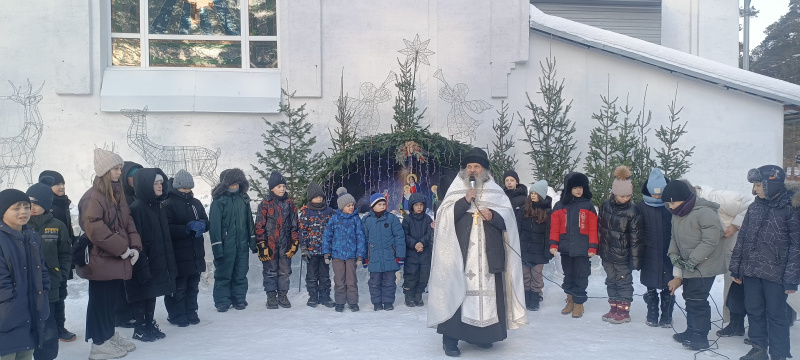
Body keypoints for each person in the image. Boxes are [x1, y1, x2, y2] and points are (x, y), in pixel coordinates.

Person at [428, 147, 526, 357]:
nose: (472, 170)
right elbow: (444, 217)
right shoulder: (455, 189)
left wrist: (494, 217)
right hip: (459, 254)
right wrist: (464, 201)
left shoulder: (496, 192)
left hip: (488, 254)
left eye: (476, 166)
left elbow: (509, 220)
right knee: (456, 290)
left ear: (484, 170)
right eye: (469, 166)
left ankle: (481, 336)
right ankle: (451, 339)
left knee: (488, 294)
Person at [730, 165, 800, 360]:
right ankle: (758, 348)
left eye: (759, 185)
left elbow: (797, 246)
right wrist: (736, 268)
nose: (755, 189)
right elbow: (742, 238)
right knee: (754, 311)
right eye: (754, 185)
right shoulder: (754, 206)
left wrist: (792, 278)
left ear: (772, 183)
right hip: (752, 271)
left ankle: (779, 354)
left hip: (776, 274)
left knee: (777, 316)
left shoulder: (791, 209)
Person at [78, 148, 141, 359]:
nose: (119, 172)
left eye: (120, 168)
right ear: (104, 171)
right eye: (115, 168)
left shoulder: (117, 194)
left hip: (114, 258)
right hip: (101, 259)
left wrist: (135, 247)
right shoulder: (92, 198)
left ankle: (109, 335)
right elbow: (95, 229)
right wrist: (123, 249)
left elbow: (127, 222)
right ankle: (99, 344)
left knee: (111, 301)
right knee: (100, 302)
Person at [663, 179, 726, 351]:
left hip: (704, 265)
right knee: (689, 297)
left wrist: (692, 261)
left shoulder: (705, 212)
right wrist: (674, 255)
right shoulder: (677, 214)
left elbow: (710, 241)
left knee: (698, 299)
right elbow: (674, 238)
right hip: (688, 264)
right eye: (668, 203)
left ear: (684, 198)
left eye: (673, 202)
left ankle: (700, 336)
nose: (671, 206)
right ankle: (691, 330)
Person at [689, 183, 752, 336]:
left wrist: (735, 225)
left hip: (737, 249)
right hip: (718, 250)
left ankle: (752, 327)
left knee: (738, 288)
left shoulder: (717, 197)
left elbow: (750, 203)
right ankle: (735, 324)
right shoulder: (689, 207)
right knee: (730, 289)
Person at [126, 168, 177, 342]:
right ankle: (140, 327)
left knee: (152, 292)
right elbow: (136, 239)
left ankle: (149, 323)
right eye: (155, 183)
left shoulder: (157, 206)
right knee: (142, 293)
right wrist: (142, 264)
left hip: (156, 260)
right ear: (146, 185)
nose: (159, 186)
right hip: (143, 261)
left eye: (160, 183)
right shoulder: (137, 208)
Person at [0, 189, 50, 360]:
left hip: (31, 314)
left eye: (26, 207)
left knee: (26, 355)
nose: (23, 212)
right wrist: (10, 305)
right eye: (16, 208)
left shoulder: (32, 236)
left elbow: (42, 268)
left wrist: (44, 289)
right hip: (6, 318)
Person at [27, 177, 71, 360]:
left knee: (48, 325)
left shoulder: (57, 226)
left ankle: (46, 356)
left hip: (51, 284)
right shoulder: (22, 226)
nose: (31, 207)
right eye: (28, 202)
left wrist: (62, 275)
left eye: (36, 203)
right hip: (28, 285)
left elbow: (65, 254)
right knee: (30, 323)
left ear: (46, 204)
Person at [598, 166, 644, 324]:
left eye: (627, 196)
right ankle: (614, 307)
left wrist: (635, 260)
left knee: (623, 281)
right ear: (614, 193)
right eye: (621, 196)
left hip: (623, 256)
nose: (625, 199)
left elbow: (636, 238)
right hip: (607, 254)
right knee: (611, 280)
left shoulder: (633, 211)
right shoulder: (605, 206)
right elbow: (600, 229)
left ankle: (624, 312)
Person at [162, 170, 209, 326]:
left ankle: (191, 311)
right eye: (184, 189)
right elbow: (166, 228)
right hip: (178, 255)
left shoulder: (196, 203)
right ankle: (177, 314)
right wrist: (185, 228)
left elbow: (206, 220)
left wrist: (203, 225)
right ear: (176, 187)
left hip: (195, 253)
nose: (187, 192)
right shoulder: (168, 204)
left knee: (193, 286)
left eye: (189, 188)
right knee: (178, 287)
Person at [550, 172, 598, 319]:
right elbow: (554, 227)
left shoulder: (588, 206)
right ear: (568, 188)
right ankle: (570, 299)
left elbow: (592, 228)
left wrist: (592, 247)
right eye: (575, 187)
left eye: (581, 187)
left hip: (583, 250)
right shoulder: (559, 206)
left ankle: (579, 303)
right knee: (568, 276)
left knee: (581, 276)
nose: (579, 190)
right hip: (565, 249)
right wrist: (553, 244)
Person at [209, 169, 256, 312]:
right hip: (226, 245)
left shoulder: (244, 199)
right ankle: (222, 300)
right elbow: (215, 227)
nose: (235, 186)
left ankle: (239, 298)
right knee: (223, 273)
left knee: (241, 272)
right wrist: (218, 248)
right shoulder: (218, 202)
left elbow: (249, 222)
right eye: (232, 183)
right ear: (225, 184)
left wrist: (252, 242)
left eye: (237, 183)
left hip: (242, 244)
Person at [38, 170, 77, 342]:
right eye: (57, 184)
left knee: (61, 294)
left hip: (61, 257)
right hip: (48, 260)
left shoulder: (63, 203)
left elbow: (66, 230)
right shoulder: (43, 206)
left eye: (63, 183)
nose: (61, 187)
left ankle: (59, 327)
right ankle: (48, 330)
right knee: (49, 296)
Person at [636, 168, 675, 327]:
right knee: (650, 284)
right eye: (654, 194)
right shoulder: (641, 206)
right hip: (649, 251)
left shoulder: (671, 205)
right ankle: (652, 313)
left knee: (668, 285)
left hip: (668, 251)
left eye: (660, 194)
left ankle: (666, 315)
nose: (657, 197)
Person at [255, 171, 299, 309]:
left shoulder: (290, 204)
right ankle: (271, 296)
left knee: (285, 271)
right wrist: (262, 244)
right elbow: (259, 226)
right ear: (271, 188)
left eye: (284, 186)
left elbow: (294, 225)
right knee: (270, 271)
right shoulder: (264, 204)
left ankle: (282, 294)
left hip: (285, 244)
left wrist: (295, 243)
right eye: (279, 186)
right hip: (270, 245)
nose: (282, 189)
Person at [321, 187, 367, 313]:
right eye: (348, 205)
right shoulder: (334, 219)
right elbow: (327, 236)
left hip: (351, 256)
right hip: (337, 256)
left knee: (351, 280)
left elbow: (361, 238)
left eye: (352, 205)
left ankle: (352, 302)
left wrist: (360, 256)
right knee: (339, 280)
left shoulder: (356, 219)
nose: (351, 207)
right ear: (342, 207)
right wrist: (326, 253)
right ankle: (340, 302)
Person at [363, 193, 405, 311]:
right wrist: (365, 257)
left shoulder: (392, 219)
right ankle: (376, 302)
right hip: (374, 257)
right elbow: (364, 240)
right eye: (379, 204)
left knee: (390, 282)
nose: (382, 206)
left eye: (384, 204)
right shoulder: (367, 221)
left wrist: (400, 256)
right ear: (373, 206)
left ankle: (388, 302)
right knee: (374, 282)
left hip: (390, 257)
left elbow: (399, 237)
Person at [515, 180, 553, 311]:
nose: (533, 195)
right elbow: (518, 228)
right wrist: (517, 244)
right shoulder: (525, 209)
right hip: (525, 248)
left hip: (539, 250)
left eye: (536, 193)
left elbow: (549, 233)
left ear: (541, 195)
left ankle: (535, 296)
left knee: (536, 275)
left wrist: (547, 249)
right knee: (526, 274)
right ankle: (526, 295)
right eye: (532, 193)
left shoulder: (547, 212)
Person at [114, 161, 142, 329]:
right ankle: (122, 316)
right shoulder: (120, 197)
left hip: (137, 245)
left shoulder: (140, 196)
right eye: (133, 177)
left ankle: (132, 312)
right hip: (124, 245)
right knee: (121, 283)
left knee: (135, 281)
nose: (136, 180)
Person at [298, 182, 335, 308]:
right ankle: (313, 295)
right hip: (311, 251)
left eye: (321, 197)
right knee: (312, 274)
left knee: (325, 274)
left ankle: (325, 295)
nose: (319, 199)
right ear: (310, 198)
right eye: (316, 197)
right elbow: (302, 232)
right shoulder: (305, 212)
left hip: (325, 251)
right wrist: (303, 248)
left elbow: (333, 230)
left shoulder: (329, 211)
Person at [402, 192, 434, 307]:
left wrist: (422, 243)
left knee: (424, 275)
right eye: (416, 205)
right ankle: (409, 295)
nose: (419, 207)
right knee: (411, 274)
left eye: (421, 205)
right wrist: (415, 244)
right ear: (411, 206)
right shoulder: (407, 220)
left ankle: (418, 294)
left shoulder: (427, 219)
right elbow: (404, 235)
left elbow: (430, 233)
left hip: (424, 252)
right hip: (412, 253)